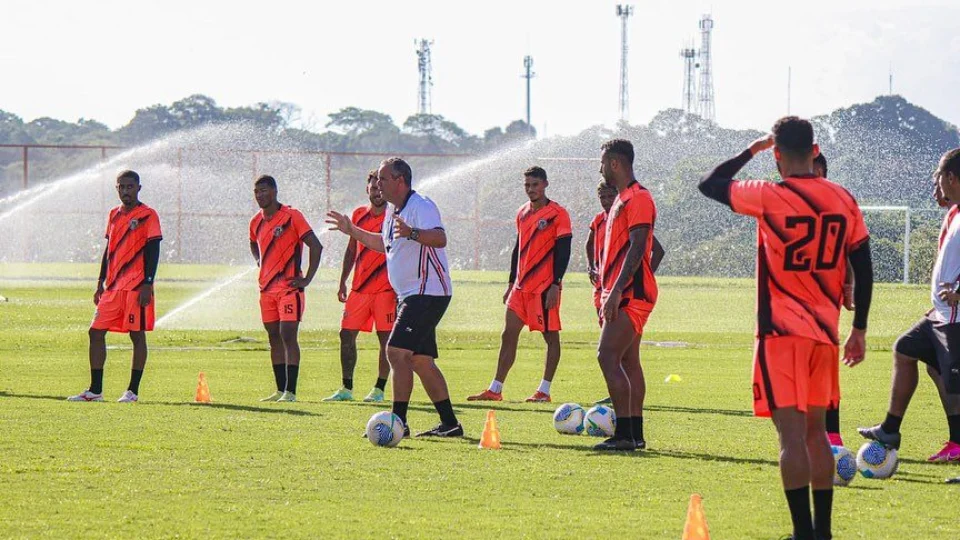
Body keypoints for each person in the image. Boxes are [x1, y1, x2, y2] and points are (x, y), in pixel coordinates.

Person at [699, 117, 874, 540]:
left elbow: (710, 183)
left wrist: (751, 150)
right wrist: (860, 329)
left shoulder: (768, 196)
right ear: (815, 151)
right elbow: (864, 269)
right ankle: (823, 532)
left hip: (779, 336)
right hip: (824, 336)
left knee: (790, 436)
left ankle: (802, 533)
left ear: (776, 155)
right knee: (817, 433)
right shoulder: (842, 199)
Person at [326, 157, 462, 437]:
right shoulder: (392, 210)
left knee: (396, 352)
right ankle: (450, 424)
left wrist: (412, 233)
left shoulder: (420, 205)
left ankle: (397, 423)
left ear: (400, 181)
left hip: (426, 293)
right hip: (412, 295)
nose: (377, 184)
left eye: (383, 179)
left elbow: (440, 238)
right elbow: (383, 244)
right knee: (420, 361)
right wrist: (351, 230)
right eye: (376, 179)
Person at [858, 147, 960, 463]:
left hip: (955, 315)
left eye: (940, 177)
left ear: (952, 177)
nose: (937, 184)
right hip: (941, 313)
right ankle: (890, 429)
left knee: (953, 380)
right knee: (906, 350)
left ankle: (957, 443)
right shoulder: (955, 212)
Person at [467, 166, 572, 403]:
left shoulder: (558, 213)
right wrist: (510, 282)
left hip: (545, 288)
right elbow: (518, 248)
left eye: (535, 184)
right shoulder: (522, 212)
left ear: (545, 184)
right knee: (508, 335)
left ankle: (544, 391)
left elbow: (564, 251)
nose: (531, 189)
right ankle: (495, 389)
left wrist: (555, 283)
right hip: (520, 288)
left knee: (550, 338)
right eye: (527, 185)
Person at [594, 139, 664, 452]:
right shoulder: (622, 199)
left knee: (607, 356)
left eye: (602, 163)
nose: (600, 169)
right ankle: (634, 433)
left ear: (615, 164)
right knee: (628, 360)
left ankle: (623, 434)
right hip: (623, 291)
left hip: (629, 294)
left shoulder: (638, 197)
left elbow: (639, 247)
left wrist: (618, 290)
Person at [69, 170, 162, 403]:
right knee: (95, 332)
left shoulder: (148, 215)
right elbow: (108, 250)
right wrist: (100, 281)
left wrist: (147, 284)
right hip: (112, 288)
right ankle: (95, 390)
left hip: (136, 287)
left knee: (137, 335)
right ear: (117, 189)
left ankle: (132, 391)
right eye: (121, 187)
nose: (126, 191)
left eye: (130, 187)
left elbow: (153, 250)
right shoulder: (113, 214)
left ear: (139, 188)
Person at [249, 175, 323, 403]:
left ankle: (291, 391)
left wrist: (307, 278)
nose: (260, 195)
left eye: (264, 190)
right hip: (266, 290)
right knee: (273, 337)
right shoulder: (256, 221)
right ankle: (280, 390)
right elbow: (253, 242)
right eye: (256, 191)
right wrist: (259, 261)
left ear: (274, 191)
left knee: (288, 335)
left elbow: (316, 246)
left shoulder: (292, 216)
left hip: (290, 289)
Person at [325, 170, 395, 403]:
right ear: (367, 190)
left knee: (385, 340)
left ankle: (379, 389)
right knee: (346, 335)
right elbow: (352, 249)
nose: (377, 192)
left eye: (380, 188)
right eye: (373, 188)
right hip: (359, 288)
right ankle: (346, 388)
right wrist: (343, 279)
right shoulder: (357, 214)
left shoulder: (394, 216)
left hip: (386, 290)